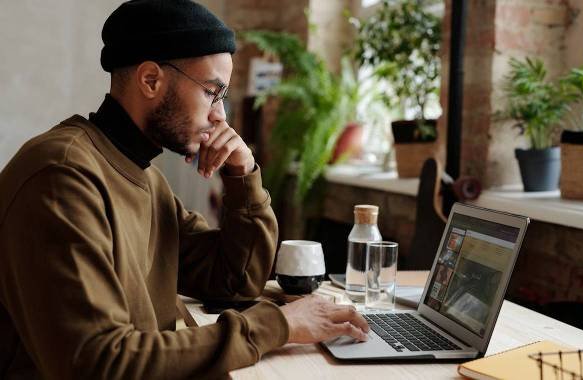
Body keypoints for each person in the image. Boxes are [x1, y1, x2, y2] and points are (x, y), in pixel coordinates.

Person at [0, 1, 369, 379]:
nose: (220, 115)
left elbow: (234, 280)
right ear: (150, 80)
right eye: (212, 92)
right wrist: (279, 326)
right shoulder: (62, 177)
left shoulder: (145, 179)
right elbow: (99, 362)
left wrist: (242, 176)